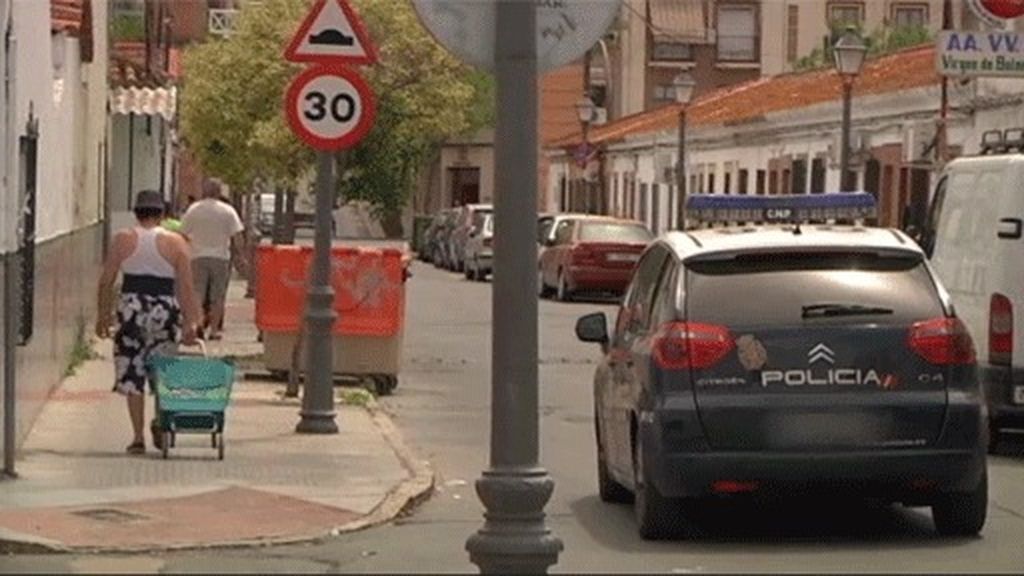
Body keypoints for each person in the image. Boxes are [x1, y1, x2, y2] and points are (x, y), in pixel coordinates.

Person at [96, 190, 200, 455]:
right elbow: (186, 287)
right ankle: (161, 422)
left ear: (136, 213)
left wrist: (103, 315)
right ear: (162, 214)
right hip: (164, 309)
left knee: (133, 372)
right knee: (163, 370)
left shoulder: (123, 239)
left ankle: (137, 437)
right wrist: (192, 322)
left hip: (131, 309)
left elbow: (106, 280)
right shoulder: (176, 243)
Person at [181, 178, 245, 341]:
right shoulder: (228, 211)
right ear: (219, 192)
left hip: (197, 256)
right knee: (218, 295)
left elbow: (183, 233)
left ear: (204, 191)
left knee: (197, 293)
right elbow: (237, 236)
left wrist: (186, 250)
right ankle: (214, 330)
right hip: (220, 257)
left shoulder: (193, 210)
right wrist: (240, 255)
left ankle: (198, 325)